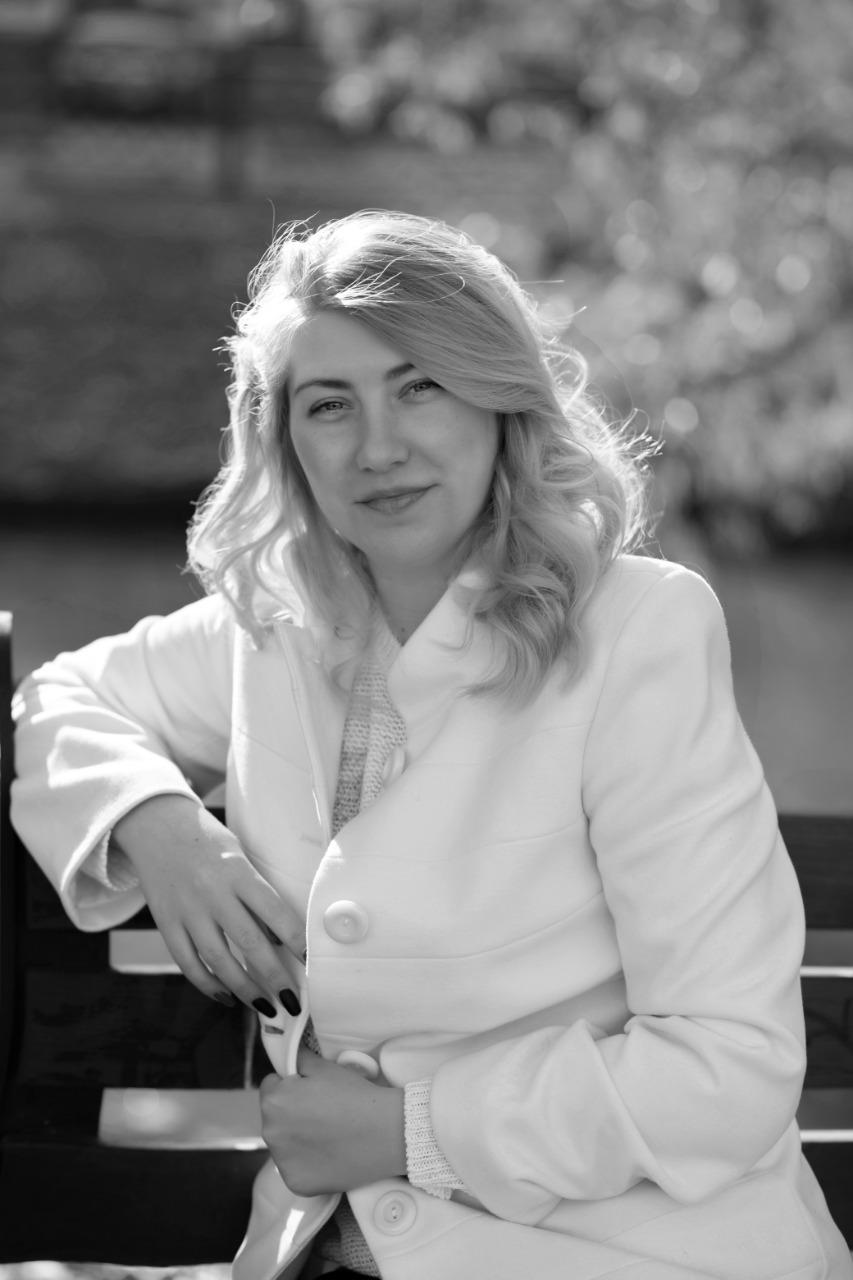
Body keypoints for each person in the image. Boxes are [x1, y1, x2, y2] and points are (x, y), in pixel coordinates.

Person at [11, 209, 852, 1280]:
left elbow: (730, 1066)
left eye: (420, 387)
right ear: (283, 437)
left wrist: (409, 1131)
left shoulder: (639, 631)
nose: (378, 448)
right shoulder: (275, 624)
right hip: (330, 1252)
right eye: (329, 405)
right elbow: (59, 699)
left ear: (498, 397)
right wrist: (164, 829)